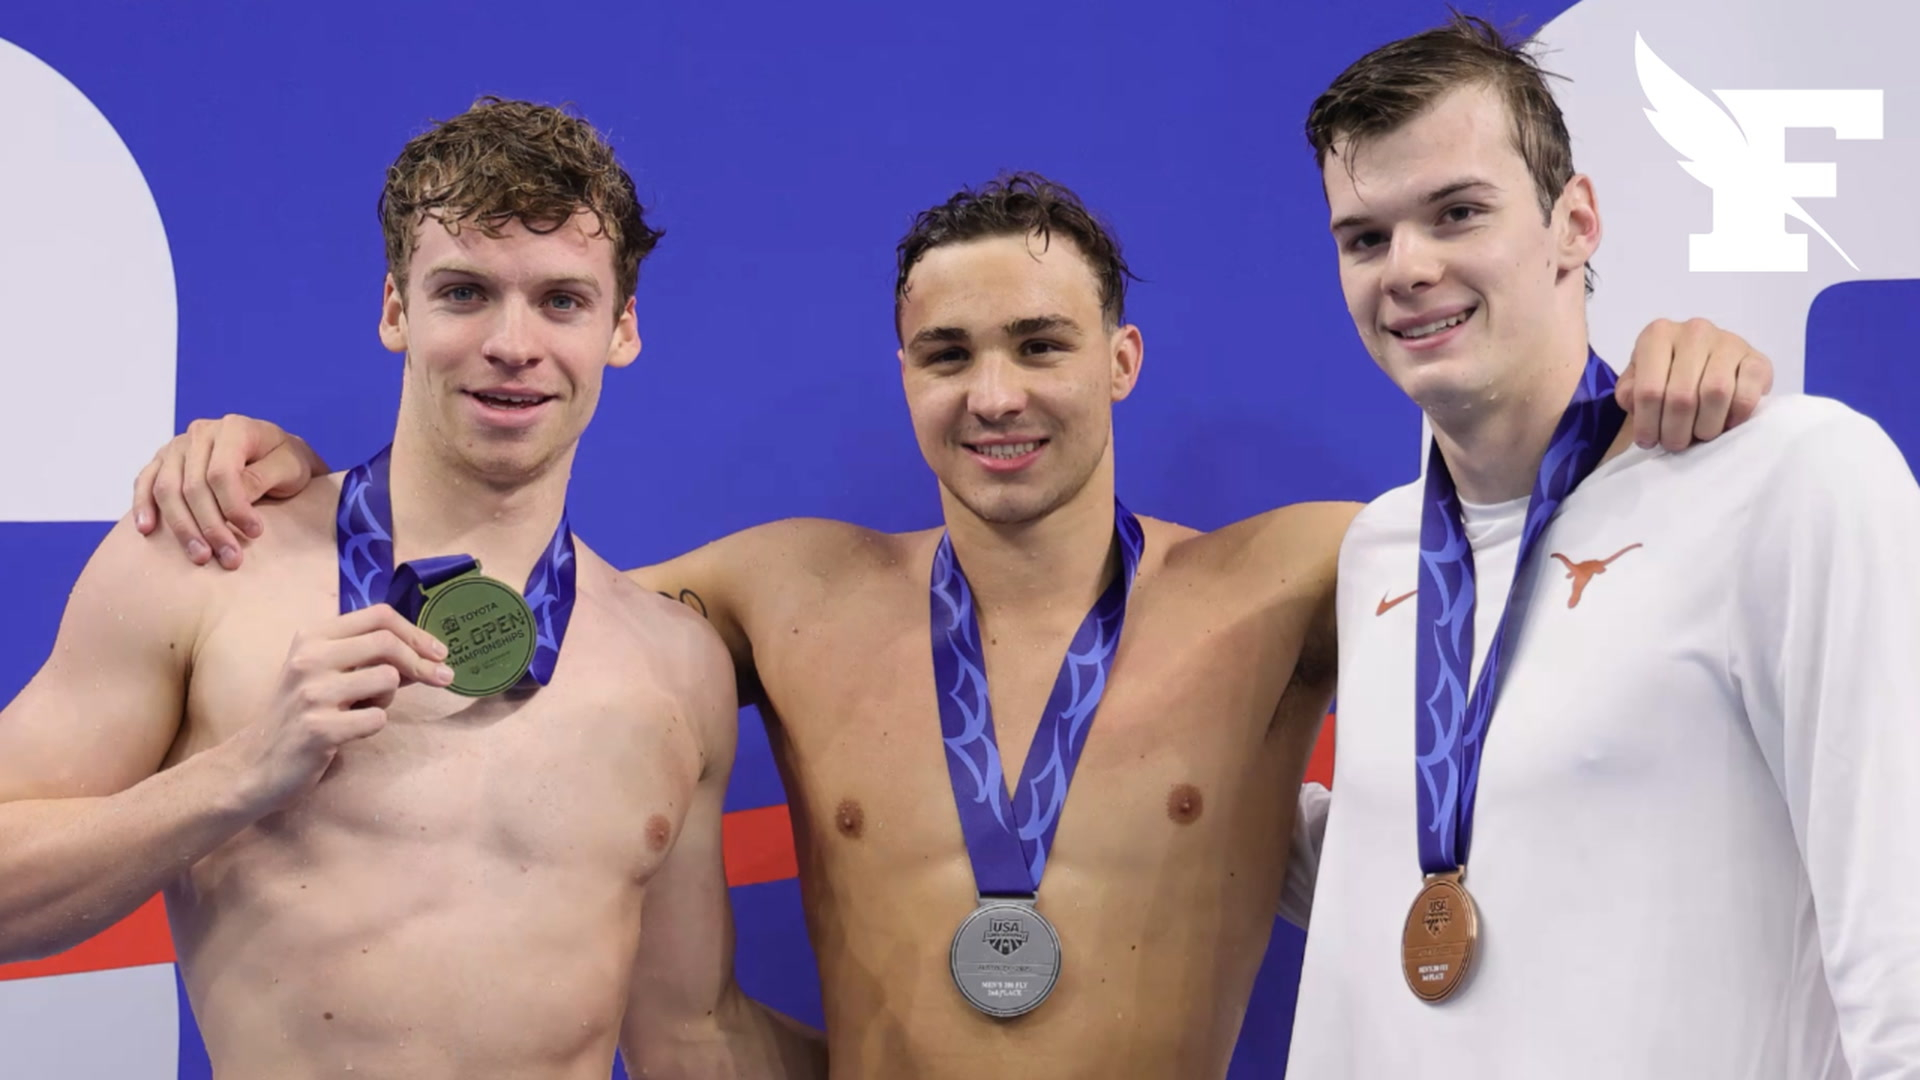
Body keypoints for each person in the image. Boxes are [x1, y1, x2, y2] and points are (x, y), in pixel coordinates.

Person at [119, 175, 1768, 1077]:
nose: (996, 395)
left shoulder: (1291, 579)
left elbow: (1557, 563)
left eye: (1041, 345)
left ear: (1120, 361)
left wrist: (1661, 394)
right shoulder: (774, 593)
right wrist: (284, 473)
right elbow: (514, 606)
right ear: (902, 373)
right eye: (948, 354)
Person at [0, 97, 822, 1078]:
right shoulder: (212, 558)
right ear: (397, 308)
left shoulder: (677, 665)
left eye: (562, 300)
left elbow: (687, 1037)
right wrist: (240, 773)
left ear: (622, 328)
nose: (513, 342)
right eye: (465, 292)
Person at [1285, 15, 1920, 1078]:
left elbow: (1902, 935)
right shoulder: (1378, 553)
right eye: (1366, 238)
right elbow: (1410, 863)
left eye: (1458, 212)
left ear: (1575, 222)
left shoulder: (1794, 480)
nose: (1409, 267)